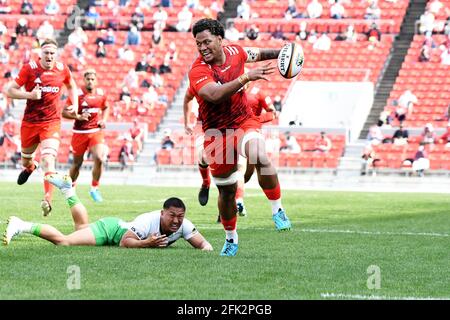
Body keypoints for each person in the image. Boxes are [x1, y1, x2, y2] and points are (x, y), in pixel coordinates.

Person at [188, 19, 292, 256]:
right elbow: (214, 95)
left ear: (220, 40)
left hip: (244, 121)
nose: (202, 48)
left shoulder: (235, 51)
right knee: (226, 191)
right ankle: (231, 238)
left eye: (206, 42)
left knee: (259, 156)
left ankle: (277, 210)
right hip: (216, 133)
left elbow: (257, 53)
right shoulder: (197, 70)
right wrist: (246, 78)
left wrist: (284, 53)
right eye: (198, 44)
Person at [3, 174, 213, 251]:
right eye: (172, 216)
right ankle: (21, 224)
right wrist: (145, 243)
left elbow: (203, 244)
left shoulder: (183, 225)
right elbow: (125, 242)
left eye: (180, 217)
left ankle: (68, 190)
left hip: (113, 226)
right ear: (162, 213)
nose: (176, 221)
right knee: (65, 241)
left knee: (82, 228)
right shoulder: (146, 221)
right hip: (110, 230)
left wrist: (207, 250)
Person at [5, 38, 79, 216]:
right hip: (30, 123)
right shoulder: (29, 69)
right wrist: (30, 95)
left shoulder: (62, 69)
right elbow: (10, 90)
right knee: (26, 160)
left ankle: (47, 199)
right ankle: (30, 167)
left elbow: (72, 85)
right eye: (46, 52)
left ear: (56, 54)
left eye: (53, 53)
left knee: (48, 160)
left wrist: (75, 104)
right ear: (41, 54)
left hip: (51, 123)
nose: (49, 56)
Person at [62, 69, 109, 203]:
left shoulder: (100, 94)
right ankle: (70, 188)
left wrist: (103, 120)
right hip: (79, 133)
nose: (90, 81)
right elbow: (64, 113)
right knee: (77, 164)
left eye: (93, 79)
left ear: (96, 81)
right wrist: (78, 116)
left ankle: (94, 188)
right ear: (84, 80)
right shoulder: (77, 95)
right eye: (88, 79)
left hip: (95, 131)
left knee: (99, 158)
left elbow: (106, 107)